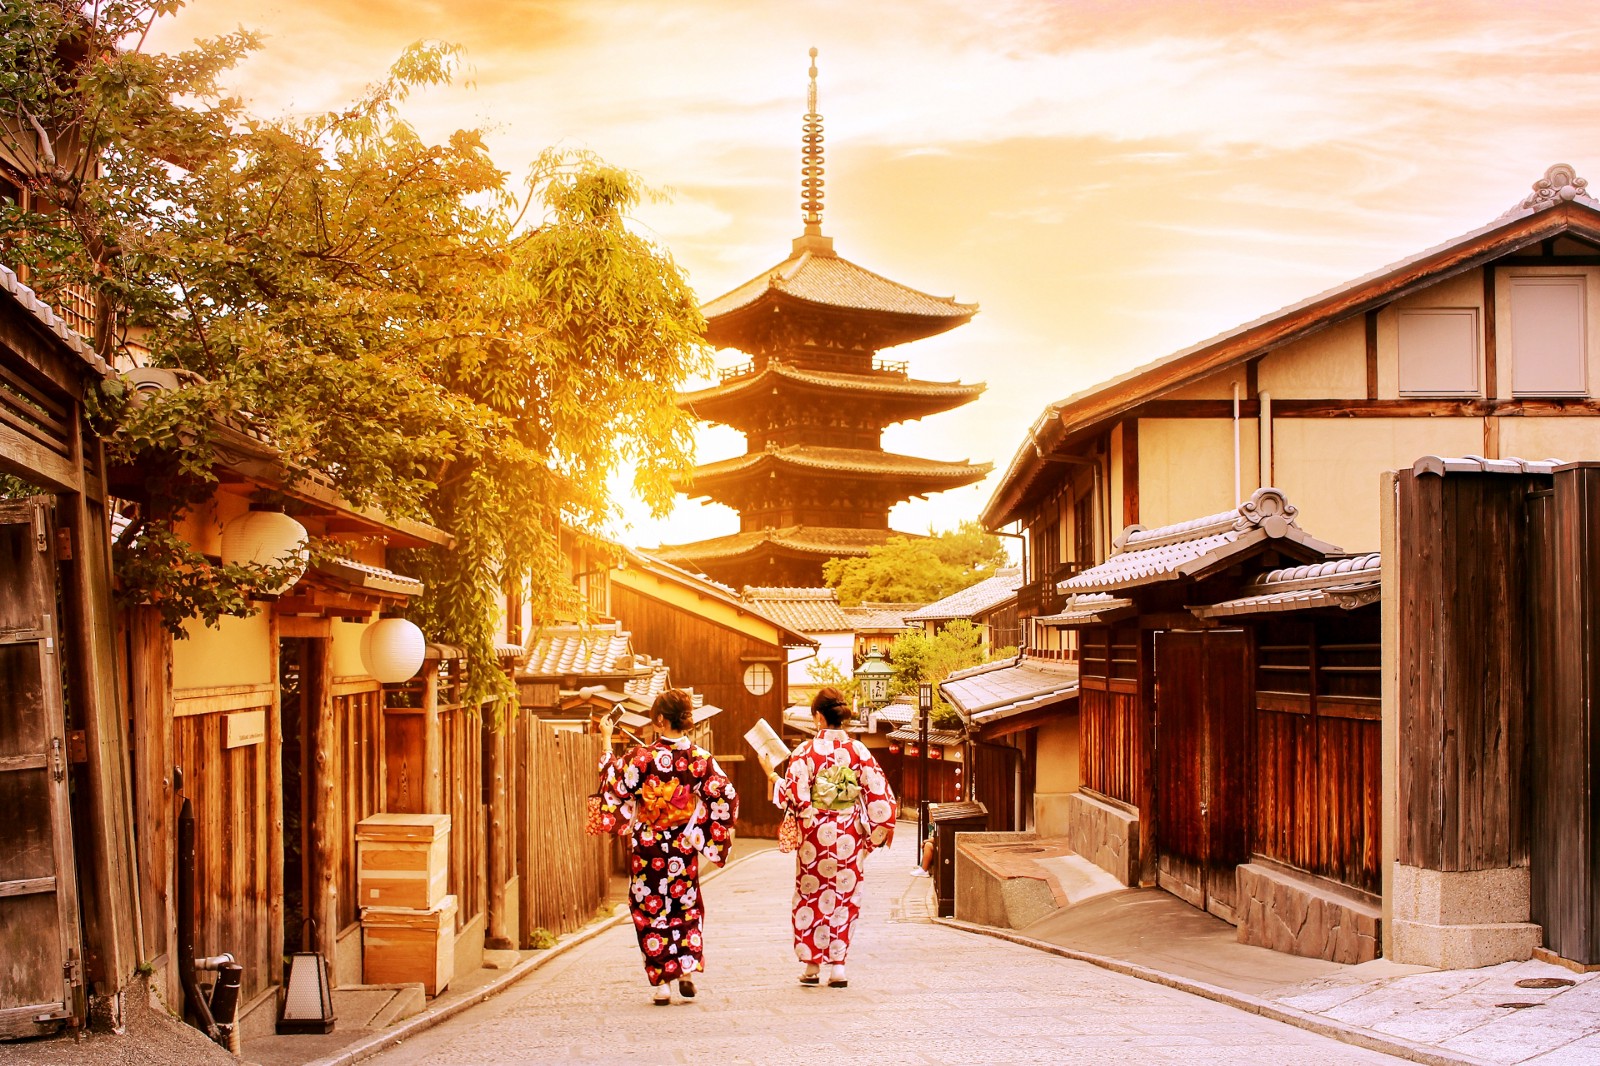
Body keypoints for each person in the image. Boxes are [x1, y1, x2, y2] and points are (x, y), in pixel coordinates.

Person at [593, 689, 738, 1005]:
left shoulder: (641, 758)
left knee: (650, 909)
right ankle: (685, 969)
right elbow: (725, 795)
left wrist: (606, 740)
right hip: (682, 847)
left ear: (660, 719)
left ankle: (662, 983)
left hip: (649, 847)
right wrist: (699, 832)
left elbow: (613, 783)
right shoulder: (700, 759)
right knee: (684, 906)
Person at [763, 687, 896, 989]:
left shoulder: (805, 752)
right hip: (848, 834)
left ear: (819, 717)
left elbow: (793, 796)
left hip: (814, 839)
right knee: (844, 898)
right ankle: (838, 967)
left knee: (810, 896)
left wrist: (771, 775)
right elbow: (881, 799)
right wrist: (869, 840)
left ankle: (811, 966)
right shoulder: (859, 752)